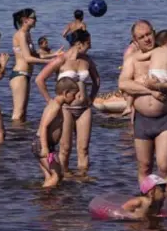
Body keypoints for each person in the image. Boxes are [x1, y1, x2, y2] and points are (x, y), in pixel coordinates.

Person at [118, 20, 167, 197]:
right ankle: (149, 201)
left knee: (164, 165)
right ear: (135, 40)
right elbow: (124, 83)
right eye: (141, 37)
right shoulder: (133, 60)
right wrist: (151, 90)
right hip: (142, 119)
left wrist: (162, 87)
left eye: (149, 34)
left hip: (165, 118)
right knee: (144, 166)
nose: (147, 39)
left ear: (154, 32)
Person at [36, 30, 100, 174]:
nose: (90, 46)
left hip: (84, 108)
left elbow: (97, 80)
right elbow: (39, 79)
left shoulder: (87, 60)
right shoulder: (61, 60)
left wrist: (91, 97)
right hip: (66, 109)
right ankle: (64, 178)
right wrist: (50, 101)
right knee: (65, 148)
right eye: (88, 43)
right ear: (78, 44)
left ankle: (82, 179)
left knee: (83, 148)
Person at [32, 77, 79, 187]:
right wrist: (44, 148)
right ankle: (44, 197)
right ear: (66, 93)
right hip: (42, 145)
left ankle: (49, 202)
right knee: (56, 175)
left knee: (51, 175)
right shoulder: (55, 107)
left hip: (49, 145)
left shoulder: (56, 105)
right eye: (74, 95)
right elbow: (44, 126)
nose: (75, 98)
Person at [123, 30, 167, 116]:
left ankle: (128, 107)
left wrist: (134, 58)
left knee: (135, 85)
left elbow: (139, 57)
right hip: (165, 77)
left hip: (153, 76)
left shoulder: (153, 51)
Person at [10, 9, 50, 122]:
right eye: (34, 17)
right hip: (19, 74)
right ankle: (14, 137)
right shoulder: (21, 34)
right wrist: (50, 63)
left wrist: (55, 55)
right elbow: (28, 58)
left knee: (23, 113)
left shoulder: (27, 34)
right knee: (18, 112)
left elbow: (36, 55)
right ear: (25, 20)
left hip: (26, 75)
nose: (36, 19)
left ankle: (22, 137)